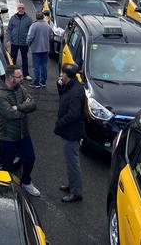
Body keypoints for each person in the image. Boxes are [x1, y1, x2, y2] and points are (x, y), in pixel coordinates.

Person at [0, 65, 40, 197]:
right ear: (10, 78)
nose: (22, 79)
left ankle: (26, 182)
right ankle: (5, 189)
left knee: (30, 158)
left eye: (21, 76)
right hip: (8, 137)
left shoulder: (20, 88)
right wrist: (24, 109)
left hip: (23, 134)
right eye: (19, 77)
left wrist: (18, 107)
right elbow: (11, 115)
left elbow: (33, 104)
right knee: (7, 166)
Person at [55, 63, 85, 203]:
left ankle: (76, 192)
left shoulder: (75, 92)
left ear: (66, 75)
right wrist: (60, 86)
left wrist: (60, 123)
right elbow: (63, 97)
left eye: (62, 73)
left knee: (73, 162)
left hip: (71, 133)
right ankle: (72, 184)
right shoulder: (72, 86)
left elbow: (74, 114)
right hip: (70, 132)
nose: (61, 75)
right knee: (70, 160)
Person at [7, 3, 33, 80]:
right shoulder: (13, 18)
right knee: (13, 59)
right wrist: (9, 40)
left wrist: (29, 41)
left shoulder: (28, 19)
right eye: (19, 8)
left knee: (25, 59)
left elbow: (30, 31)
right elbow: (9, 29)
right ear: (17, 9)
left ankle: (25, 74)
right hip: (14, 42)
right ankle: (12, 74)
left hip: (24, 43)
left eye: (22, 8)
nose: (21, 9)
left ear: (24, 9)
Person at [26, 11, 51, 88]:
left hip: (36, 49)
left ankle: (36, 83)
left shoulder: (34, 25)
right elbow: (50, 36)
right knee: (44, 66)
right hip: (45, 49)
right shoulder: (47, 26)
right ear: (43, 17)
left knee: (36, 67)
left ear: (36, 17)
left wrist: (28, 44)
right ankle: (43, 82)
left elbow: (30, 37)